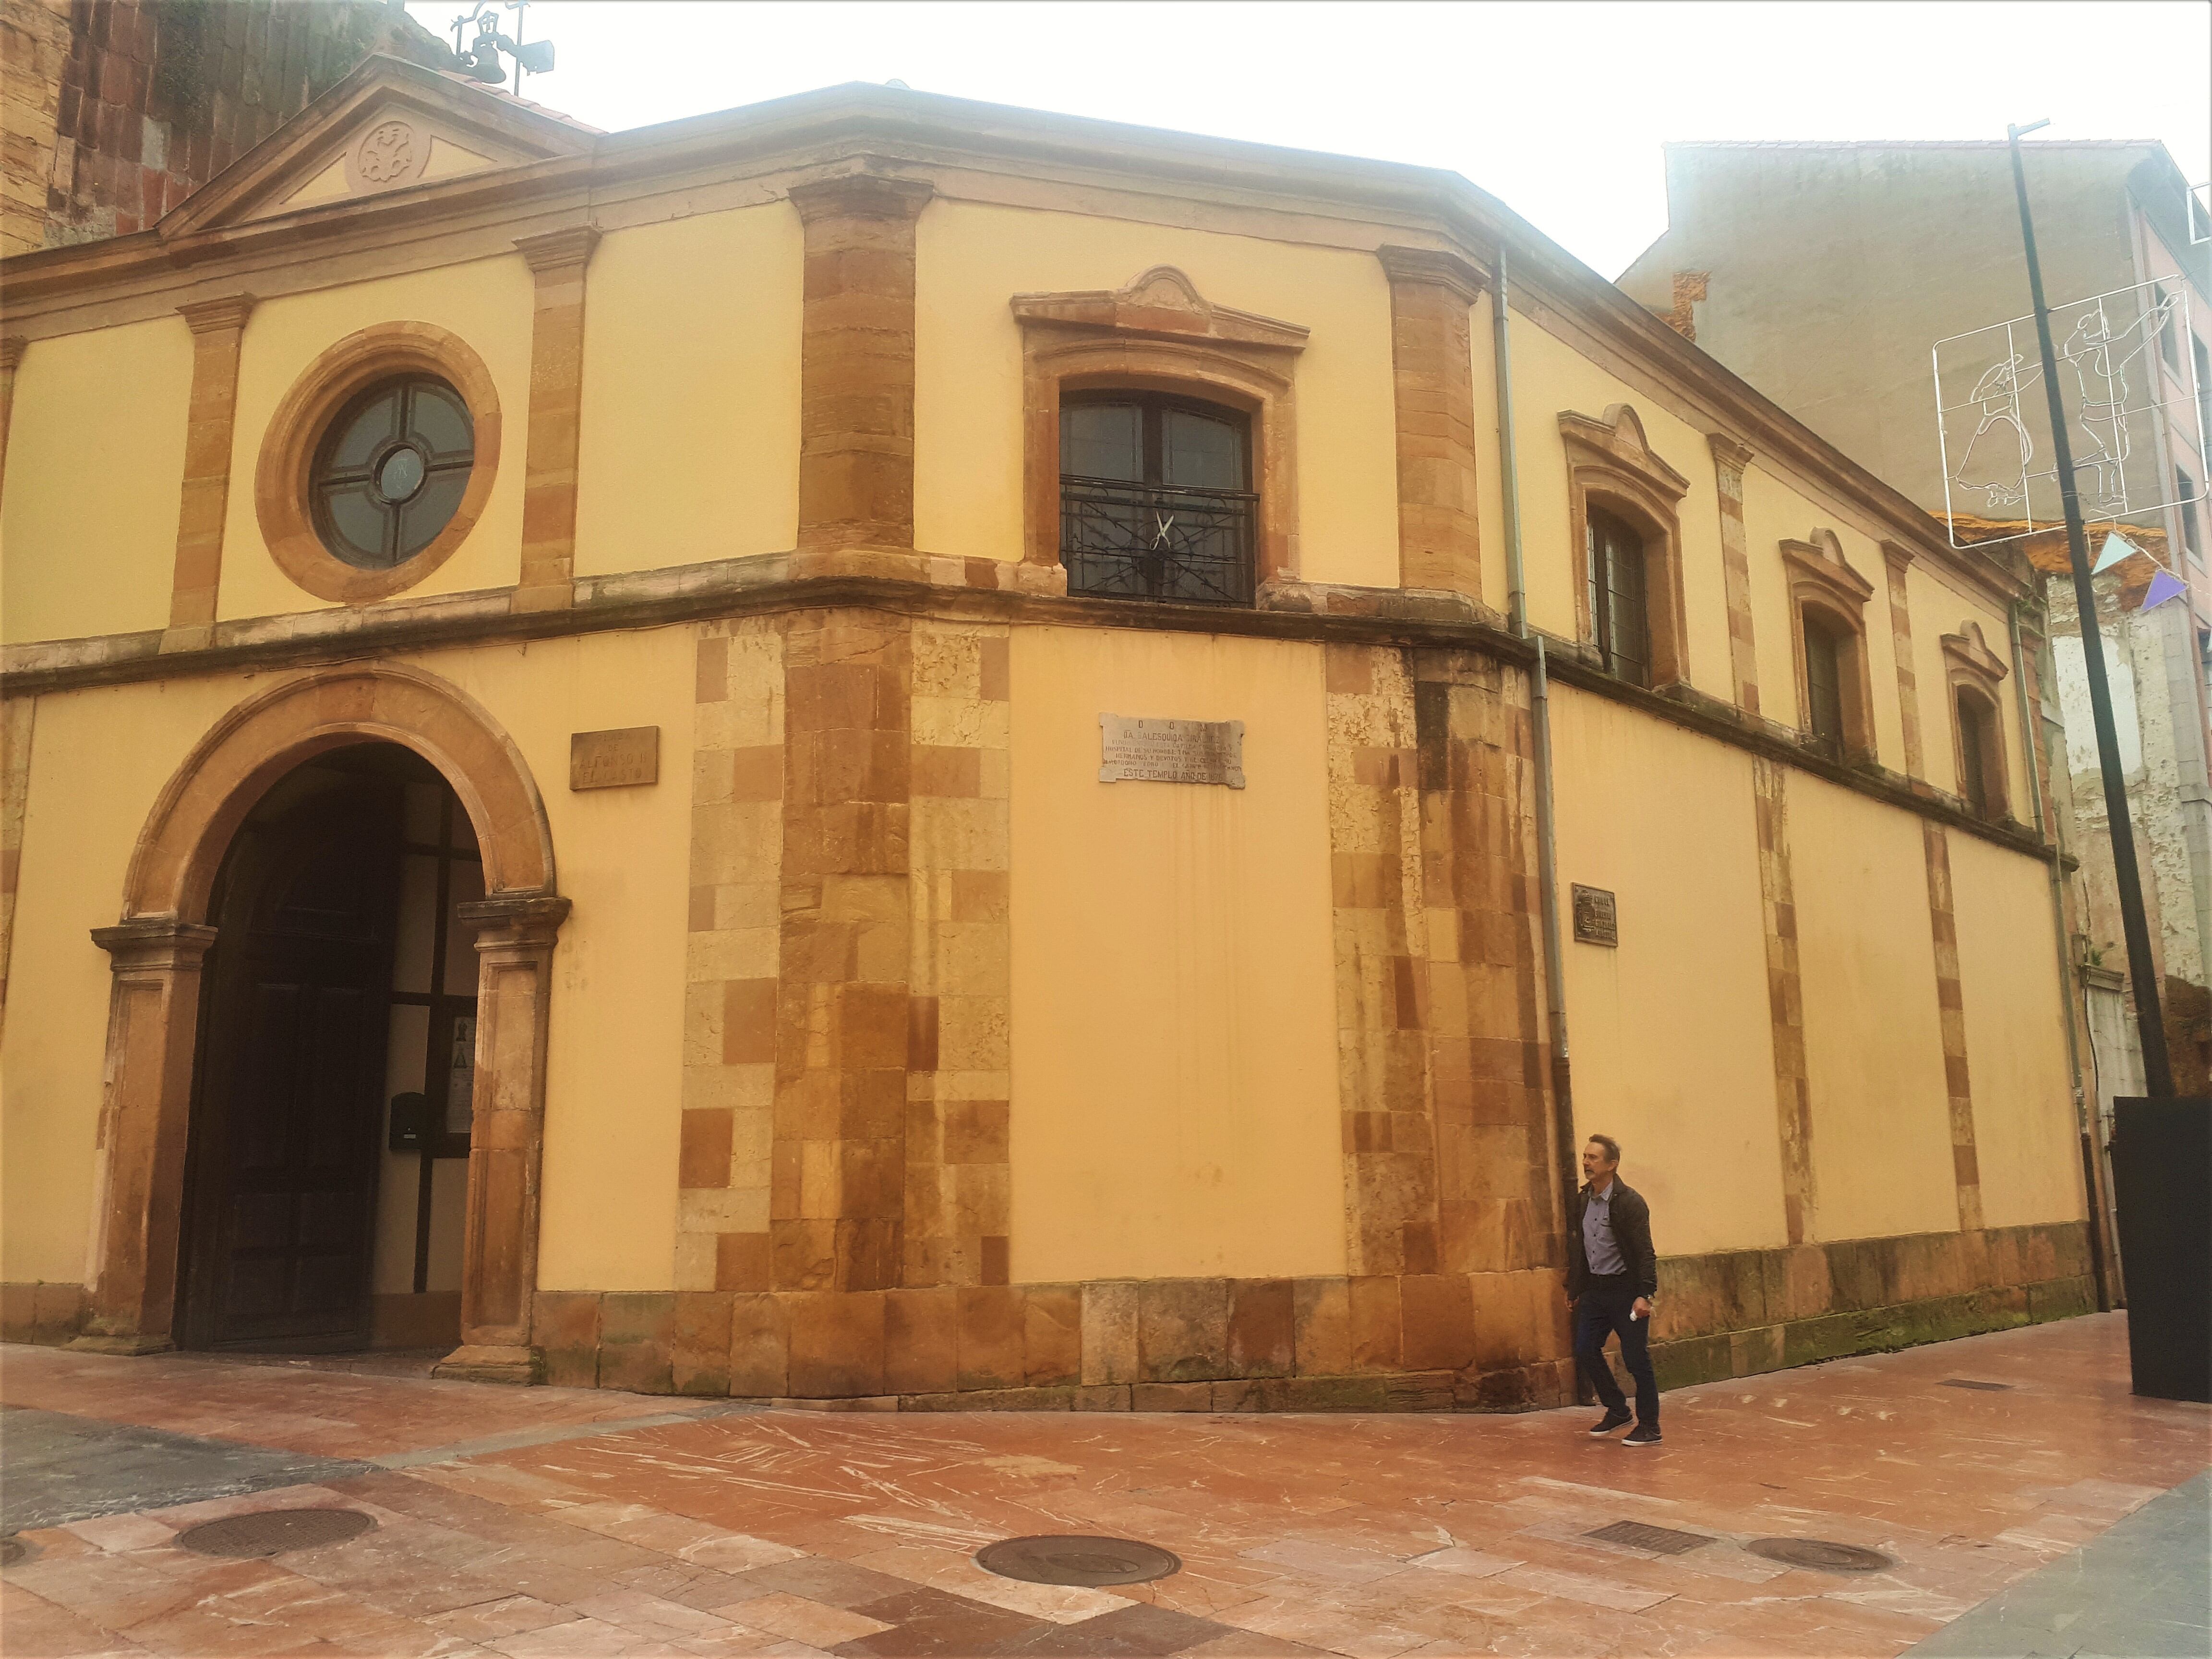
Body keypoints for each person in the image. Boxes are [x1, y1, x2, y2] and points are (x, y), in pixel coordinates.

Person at [1566, 1133, 1661, 1444]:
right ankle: (1618, 1410)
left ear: (1612, 1164)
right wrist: (1575, 1289)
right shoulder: (1584, 1200)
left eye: (1593, 1158)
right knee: (1585, 1350)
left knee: (1636, 1359)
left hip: (1626, 1291)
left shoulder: (1630, 1203)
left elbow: (1645, 1251)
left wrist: (1645, 1294)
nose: (1586, 1163)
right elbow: (1582, 1248)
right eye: (1585, 1157)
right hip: (1596, 1292)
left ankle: (1650, 1427)